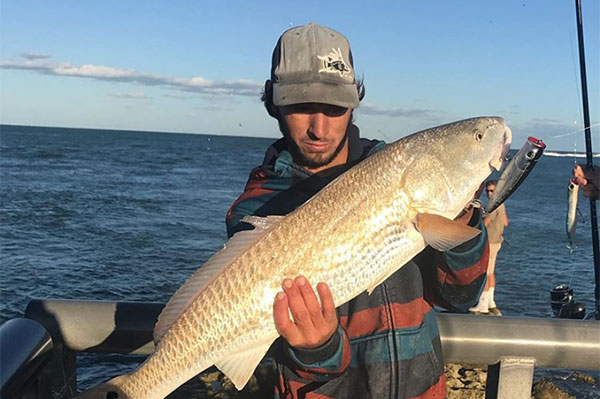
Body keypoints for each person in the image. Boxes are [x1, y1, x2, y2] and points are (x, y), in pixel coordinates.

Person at [226, 23, 489, 399]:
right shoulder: (259, 208)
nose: (319, 128)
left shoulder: (401, 169)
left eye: (334, 108)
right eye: (300, 106)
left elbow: (459, 297)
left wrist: (462, 227)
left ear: (353, 103)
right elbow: (261, 347)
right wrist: (317, 348)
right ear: (274, 104)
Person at [469, 180, 508, 316]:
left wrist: (471, 232)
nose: (489, 193)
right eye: (488, 191)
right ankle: (491, 302)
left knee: (485, 273)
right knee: (491, 272)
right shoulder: (502, 203)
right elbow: (505, 222)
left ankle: (483, 305)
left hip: (490, 242)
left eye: (492, 191)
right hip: (497, 241)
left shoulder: (492, 205)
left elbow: (485, 223)